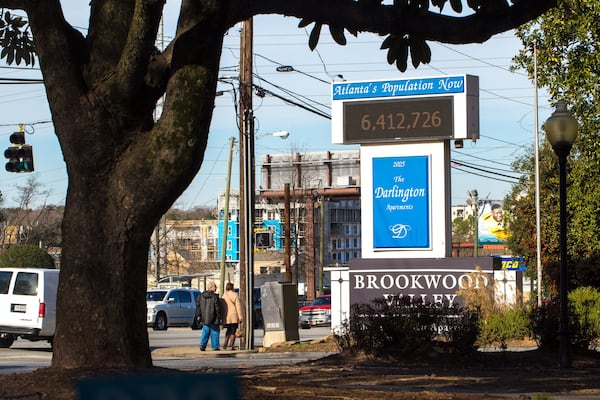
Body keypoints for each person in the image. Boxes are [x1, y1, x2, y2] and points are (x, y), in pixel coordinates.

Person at [196, 281, 222, 351]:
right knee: (215, 332)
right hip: (214, 318)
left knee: (205, 331)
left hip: (204, 318)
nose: (216, 288)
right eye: (215, 286)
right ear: (211, 287)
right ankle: (215, 346)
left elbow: (198, 307)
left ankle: (203, 345)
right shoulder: (215, 297)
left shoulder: (201, 296)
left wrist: (199, 315)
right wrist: (219, 316)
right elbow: (217, 308)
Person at [221, 282, 243, 350]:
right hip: (234, 315)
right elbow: (238, 307)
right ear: (232, 287)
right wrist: (240, 317)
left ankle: (225, 343)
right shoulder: (235, 295)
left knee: (228, 330)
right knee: (233, 331)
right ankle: (231, 345)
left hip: (226, 315)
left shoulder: (224, 295)